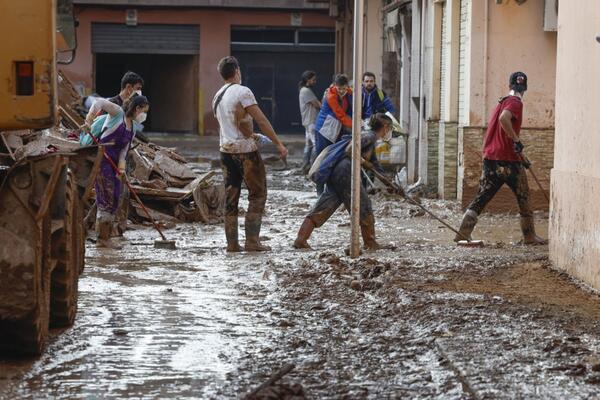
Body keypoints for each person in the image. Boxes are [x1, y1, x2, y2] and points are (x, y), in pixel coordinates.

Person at [455, 71, 547, 245]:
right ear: (524, 88)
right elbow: (504, 119)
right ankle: (529, 236)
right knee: (524, 197)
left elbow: (503, 132)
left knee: (482, 197)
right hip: (509, 161)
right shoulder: (515, 102)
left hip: (491, 159)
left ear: (509, 86)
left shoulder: (502, 101)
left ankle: (463, 233)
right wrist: (516, 139)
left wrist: (522, 154)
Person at [213, 56, 288, 252]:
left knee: (231, 198)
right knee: (258, 194)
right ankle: (252, 242)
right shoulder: (243, 92)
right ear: (237, 70)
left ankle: (232, 245)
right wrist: (278, 144)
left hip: (225, 151)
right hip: (245, 151)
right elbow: (261, 120)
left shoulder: (217, 95)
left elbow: (228, 124)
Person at [293, 113, 394, 250]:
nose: (389, 132)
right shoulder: (369, 136)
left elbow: (375, 166)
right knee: (364, 205)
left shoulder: (370, 138)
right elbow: (350, 150)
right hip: (345, 171)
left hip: (337, 172)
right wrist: (365, 163)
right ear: (385, 127)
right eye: (389, 128)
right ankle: (370, 243)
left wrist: (391, 184)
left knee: (324, 205)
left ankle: (300, 240)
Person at [84, 94, 150, 249]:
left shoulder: (133, 128)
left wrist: (121, 170)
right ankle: (102, 240)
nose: (144, 115)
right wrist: (89, 120)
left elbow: (124, 151)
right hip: (103, 159)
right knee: (105, 198)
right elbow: (99, 102)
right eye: (143, 111)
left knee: (115, 198)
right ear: (136, 108)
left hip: (115, 163)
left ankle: (105, 236)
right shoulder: (117, 113)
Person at [314, 73, 353, 194]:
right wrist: (356, 125)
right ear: (334, 86)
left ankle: (330, 188)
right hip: (324, 130)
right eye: (339, 88)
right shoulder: (330, 96)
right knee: (322, 159)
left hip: (335, 129)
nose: (342, 91)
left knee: (333, 158)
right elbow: (340, 114)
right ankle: (319, 189)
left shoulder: (349, 92)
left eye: (344, 88)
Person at [298, 71, 321, 174]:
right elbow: (317, 105)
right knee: (316, 144)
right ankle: (313, 168)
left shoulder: (304, 90)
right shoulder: (306, 91)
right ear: (308, 80)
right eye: (313, 80)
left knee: (309, 145)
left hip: (308, 121)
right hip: (311, 121)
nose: (315, 82)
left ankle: (305, 167)